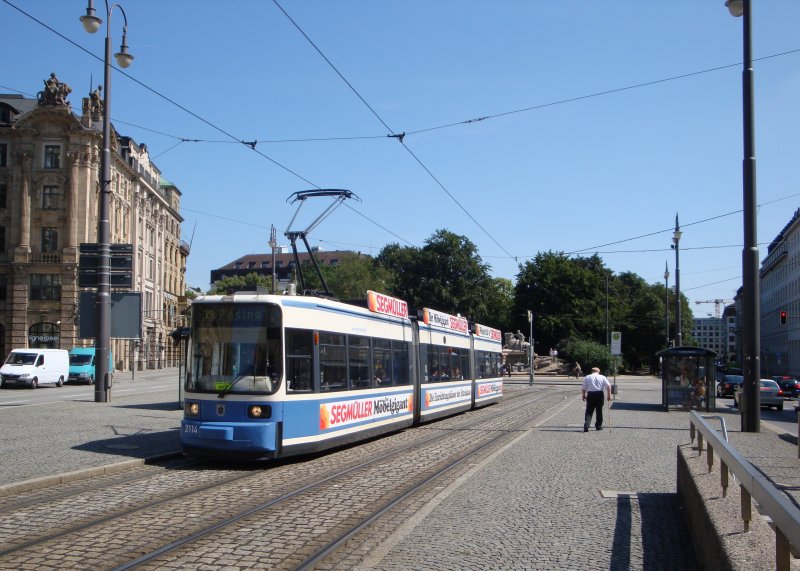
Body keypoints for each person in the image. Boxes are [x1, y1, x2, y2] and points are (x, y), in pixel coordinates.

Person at [581, 367, 612, 432]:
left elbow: (584, 387)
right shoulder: (602, 377)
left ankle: (586, 425)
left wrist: (583, 395)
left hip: (591, 394)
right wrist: (609, 396)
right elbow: (608, 386)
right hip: (599, 394)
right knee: (599, 410)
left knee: (589, 410)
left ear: (592, 371)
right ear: (598, 371)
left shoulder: (587, 377)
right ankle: (598, 426)